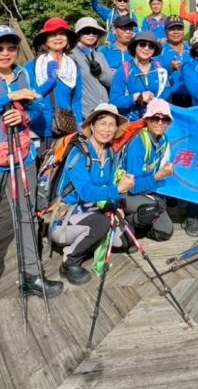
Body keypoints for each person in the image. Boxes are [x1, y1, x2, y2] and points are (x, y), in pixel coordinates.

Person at [0, 25, 62, 303]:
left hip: (22, 155)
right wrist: (7, 98)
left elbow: (39, 107)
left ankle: (32, 274)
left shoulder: (24, 75)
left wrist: (24, 117)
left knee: (26, 215)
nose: (5, 53)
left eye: (11, 47)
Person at [49, 103, 140, 285]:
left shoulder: (111, 154)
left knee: (126, 240)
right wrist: (118, 190)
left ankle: (91, 239)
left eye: (111, 125)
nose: (107, 129)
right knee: (101, 224)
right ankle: (70, 261)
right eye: (102, 123)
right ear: (92, 125)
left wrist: (115, 208)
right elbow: (86, 193)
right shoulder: (79, 153)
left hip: (92, 211)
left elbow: (109, 185)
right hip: (67, 215)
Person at [120, 98, 177, 241]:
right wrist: (158, 177)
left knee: (165, 232)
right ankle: (126, 223)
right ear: (147, 119)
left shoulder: (163, 139)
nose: (159, 122)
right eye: (155, 118)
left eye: (164, 119)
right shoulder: (138, 144)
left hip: (148, 192)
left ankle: (139, 223)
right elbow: (133, 187)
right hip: (126, 192)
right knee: (153, 208)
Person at [26, 18, 83, 136]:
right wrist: (49, 82)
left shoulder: (74, 66)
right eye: (52, 34)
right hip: (39, 129)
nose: (58, 38)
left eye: (62, 34)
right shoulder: (32, 66)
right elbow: (27, 98)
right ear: (45, 40)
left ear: (67, 39)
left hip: (66, 128)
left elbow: (76, 100)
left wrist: (79, 124)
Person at [110, 30, 171, 121]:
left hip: (155, 121)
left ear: (154, 50)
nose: (146, 48)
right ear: (135, 46)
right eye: (142, 44)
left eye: (151, 46)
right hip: (131, 123)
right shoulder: (124, 70)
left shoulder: (160, 70)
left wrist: (154, 101)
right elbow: (115, 100)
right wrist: (137, 97)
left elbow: (166, 93)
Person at [71, 16, 116, 119]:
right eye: (87, 31)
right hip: (85, 114)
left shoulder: (99, 55)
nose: (91, 34)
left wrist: (101, 74)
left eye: (94, 31)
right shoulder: (71, 56)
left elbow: (111, 81)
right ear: (78, 34)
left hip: (105, 110)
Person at [160, 16, 191, 107]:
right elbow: (155, 74)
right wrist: (169, 68)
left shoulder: (192, 50)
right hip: (170, 98)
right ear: (166, 31)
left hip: (192, 97)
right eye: (172, 29)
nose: (176, 32)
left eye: (179, 28)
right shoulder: (159, 51)